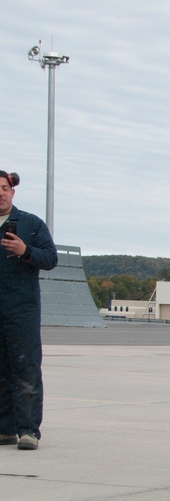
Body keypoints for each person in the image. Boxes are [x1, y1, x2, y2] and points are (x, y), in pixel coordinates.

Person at [0, 170, 58, 450]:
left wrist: (25, 250)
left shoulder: (31, 224)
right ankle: (4, 429)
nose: (0, 193)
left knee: (25, 369)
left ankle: (28, 431)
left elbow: (50, 258)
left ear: (12, 192)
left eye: (4, 188)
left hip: (21, 310)